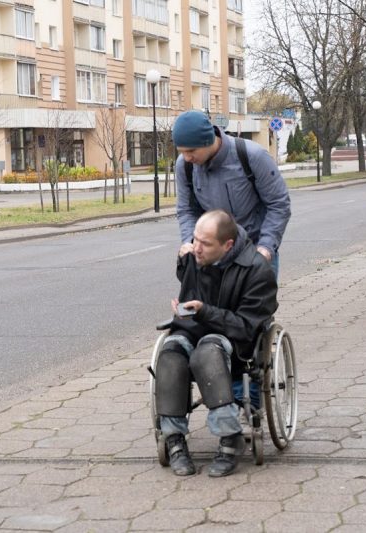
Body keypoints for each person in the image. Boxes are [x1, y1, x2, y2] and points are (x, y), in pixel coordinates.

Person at [156, 209, 278, 477]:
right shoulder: (193, 257)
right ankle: (173, 437)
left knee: (207, 352)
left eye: (205, 244)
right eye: (194, 239)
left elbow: (246, 328)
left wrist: (203, 311)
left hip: (234, 343)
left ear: (228, 245)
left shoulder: (257, 271)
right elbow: (189, 288)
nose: (196, 248)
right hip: (191, 329)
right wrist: (183, 309)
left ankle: (229, 435)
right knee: (170, 355)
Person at [172, 110, 291, 277]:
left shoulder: (252, 156)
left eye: (191, 151)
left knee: (253, 304)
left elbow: (279, 204)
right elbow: (187, 209)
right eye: (181, 151)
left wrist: (266, 247)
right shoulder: (185, 166)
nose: (186, 158)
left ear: (209, 140)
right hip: (212, 256)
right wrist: (190, 242)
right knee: (205, 304)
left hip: (254, 251)